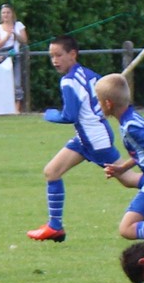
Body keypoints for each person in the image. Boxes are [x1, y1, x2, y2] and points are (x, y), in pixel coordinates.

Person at [26, 36, 133, 242]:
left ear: (73, 54)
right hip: (85, 138)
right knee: (52, 171)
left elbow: (69, 115)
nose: (54, 60)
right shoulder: (89, 74)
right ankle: (55, 227)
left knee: (129, 180)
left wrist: (50, 114)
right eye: (51, 56)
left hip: (96, 140)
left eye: (59, 55)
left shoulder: (68, 81)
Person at [95, 74, 144, 264]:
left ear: (108, 103)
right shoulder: (130, 120)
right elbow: (141, 152)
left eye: (99, 100)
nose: (98, 105)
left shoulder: (131, 126)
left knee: (127, 228)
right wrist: (121, 169)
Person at [0, 4, 28, 113]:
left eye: (8, 12)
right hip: (2, 56)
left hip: (15, 56)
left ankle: (17, 107)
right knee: (3, 82)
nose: (6, 15)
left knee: (17, 82)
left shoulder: (18, 25)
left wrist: (16, 35)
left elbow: (24, 40)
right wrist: (7, 36)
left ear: (12, 14)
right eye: (4, 13)